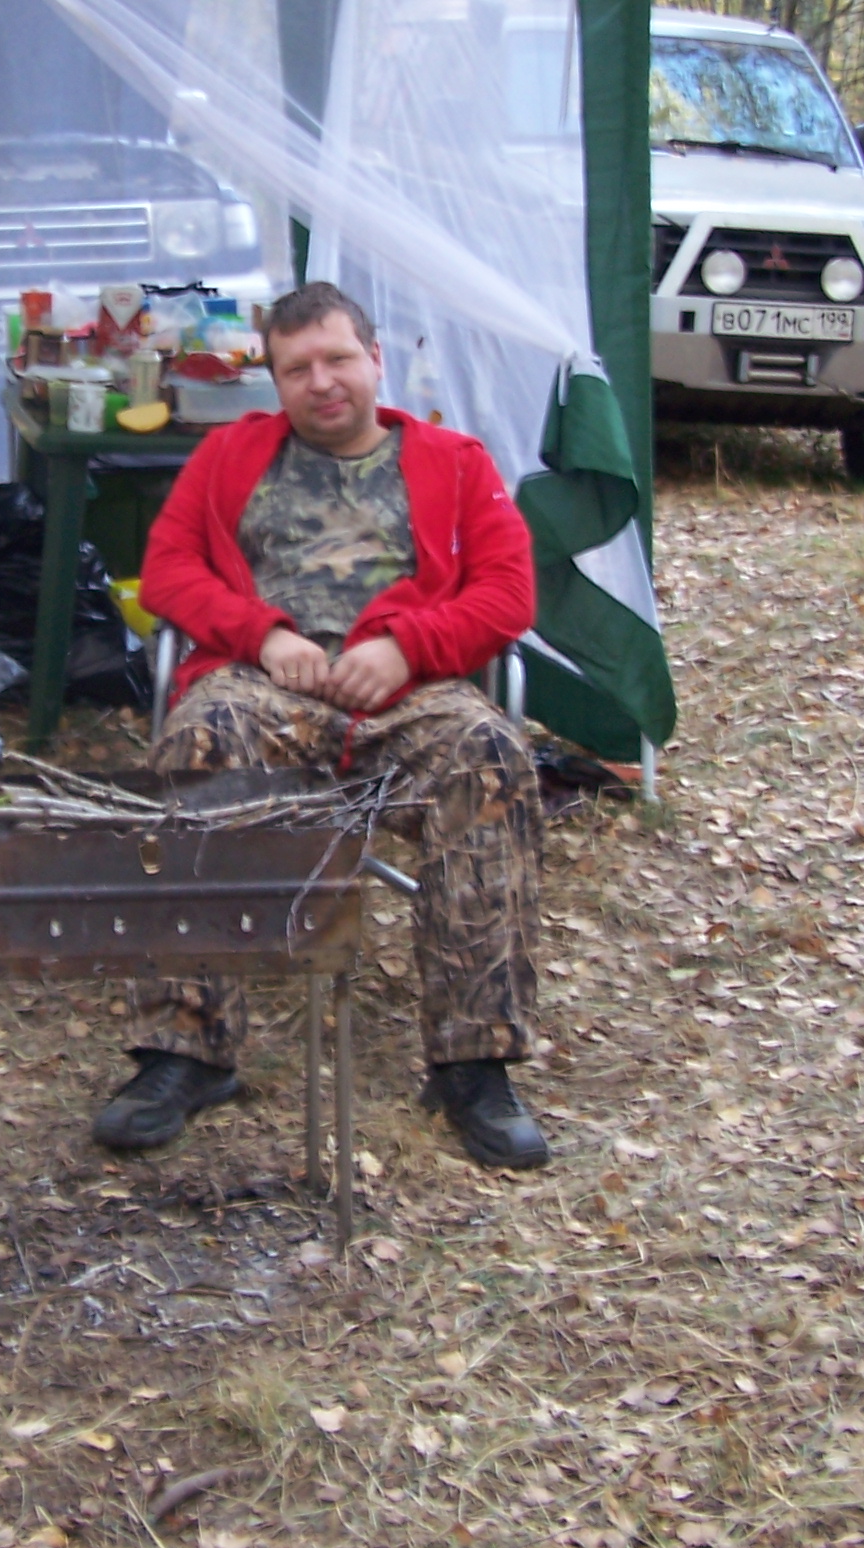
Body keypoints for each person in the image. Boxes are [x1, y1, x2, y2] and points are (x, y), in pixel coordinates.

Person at [93, 281, 549, 1169]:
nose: (322, 382)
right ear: (275, 380)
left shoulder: (455, 462)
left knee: (489, 752)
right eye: (297, 368)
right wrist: (261, 635)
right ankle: (184, 1051)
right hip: (265, 689)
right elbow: (170, 570)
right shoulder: (230, 455)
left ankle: (475, 1064)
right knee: (194, 745)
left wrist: (408, 649)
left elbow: (508, 593)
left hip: (410, 694)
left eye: (338, 359)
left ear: (376, 360)